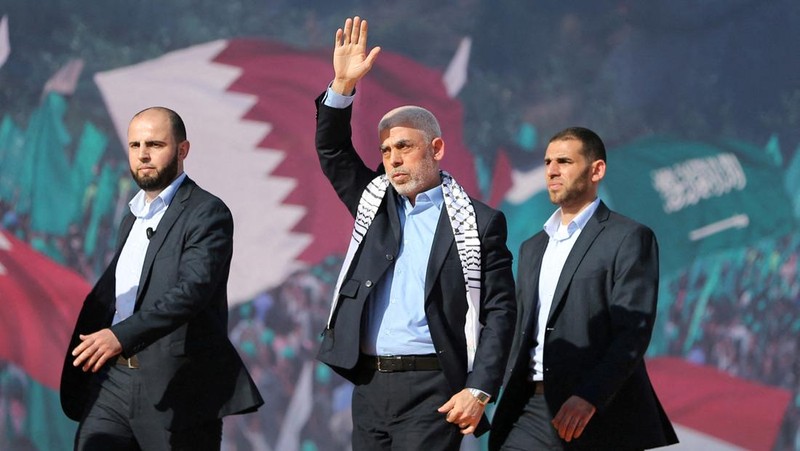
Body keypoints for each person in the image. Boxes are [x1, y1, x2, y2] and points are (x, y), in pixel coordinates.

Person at [314, 17, 516, 451]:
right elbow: (333, 151)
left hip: (433, 387)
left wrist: (479, 389)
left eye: (404, 146)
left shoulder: (479, 222)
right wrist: (342, 86)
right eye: (386, 150)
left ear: (436, 149)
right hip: (369, 384)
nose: (393, 159)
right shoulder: (374, 204)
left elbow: (499, 313)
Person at [60, 107, 264, 450]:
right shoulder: (132, 216)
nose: (142, 154)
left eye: (154, 144)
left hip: (177, 386)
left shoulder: (207, 212)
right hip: (113, 381)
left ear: (182, 150)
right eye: (135, 145)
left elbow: (192, 291)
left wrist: (120, 336)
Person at [489, 127, 679, 450]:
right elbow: (519, 328)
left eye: (564, 161)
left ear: (596, 170)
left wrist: (590, 396)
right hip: (529, 409)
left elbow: (632, 333)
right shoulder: (532, 247)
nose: (551, 170)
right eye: (548, 161)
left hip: (597, 413)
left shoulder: (629, 238)